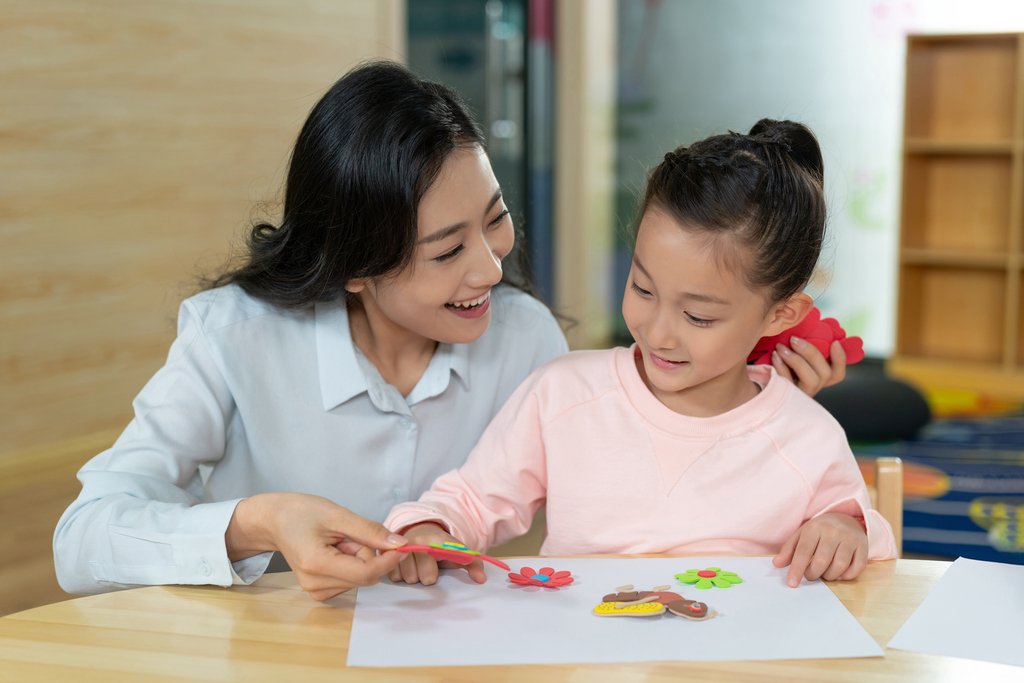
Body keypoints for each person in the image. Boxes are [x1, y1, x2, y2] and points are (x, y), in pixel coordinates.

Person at [53, 63, 848, 602]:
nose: (492, 270)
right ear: (356, 266)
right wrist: (258, 521)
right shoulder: (232, 336)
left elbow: (633, 464)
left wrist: (752, 402)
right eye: (446, 251)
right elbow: (83, 539)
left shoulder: (526, 337)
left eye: (496, 221)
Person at [385, 120, 897, 590]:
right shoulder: (564, 393)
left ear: (781, 315)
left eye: (698, 317)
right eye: (642, 288)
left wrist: (842, 528)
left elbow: (865, 546)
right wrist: (433, 525)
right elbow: (473, 500)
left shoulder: (807, 437)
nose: (658, 333)